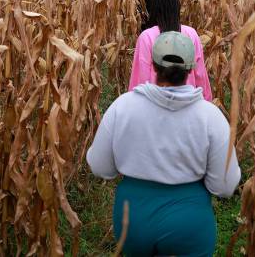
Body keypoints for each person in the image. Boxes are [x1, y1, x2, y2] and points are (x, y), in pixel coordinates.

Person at [87, 31, 241, 257]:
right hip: (189, 221)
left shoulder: (123, 106)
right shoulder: (210, 116)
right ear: (190, 69)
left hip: (133, 219)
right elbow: (225, 186)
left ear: (153, 65)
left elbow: (100, 167)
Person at [129, 0, 212, 101]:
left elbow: (140, 76)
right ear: (177, 9)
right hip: (187, 102)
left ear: (155, 10)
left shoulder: (147, 37)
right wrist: (206, 102)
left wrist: (134, 104)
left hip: (155, 103)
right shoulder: (191, 34)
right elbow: (200, 73)